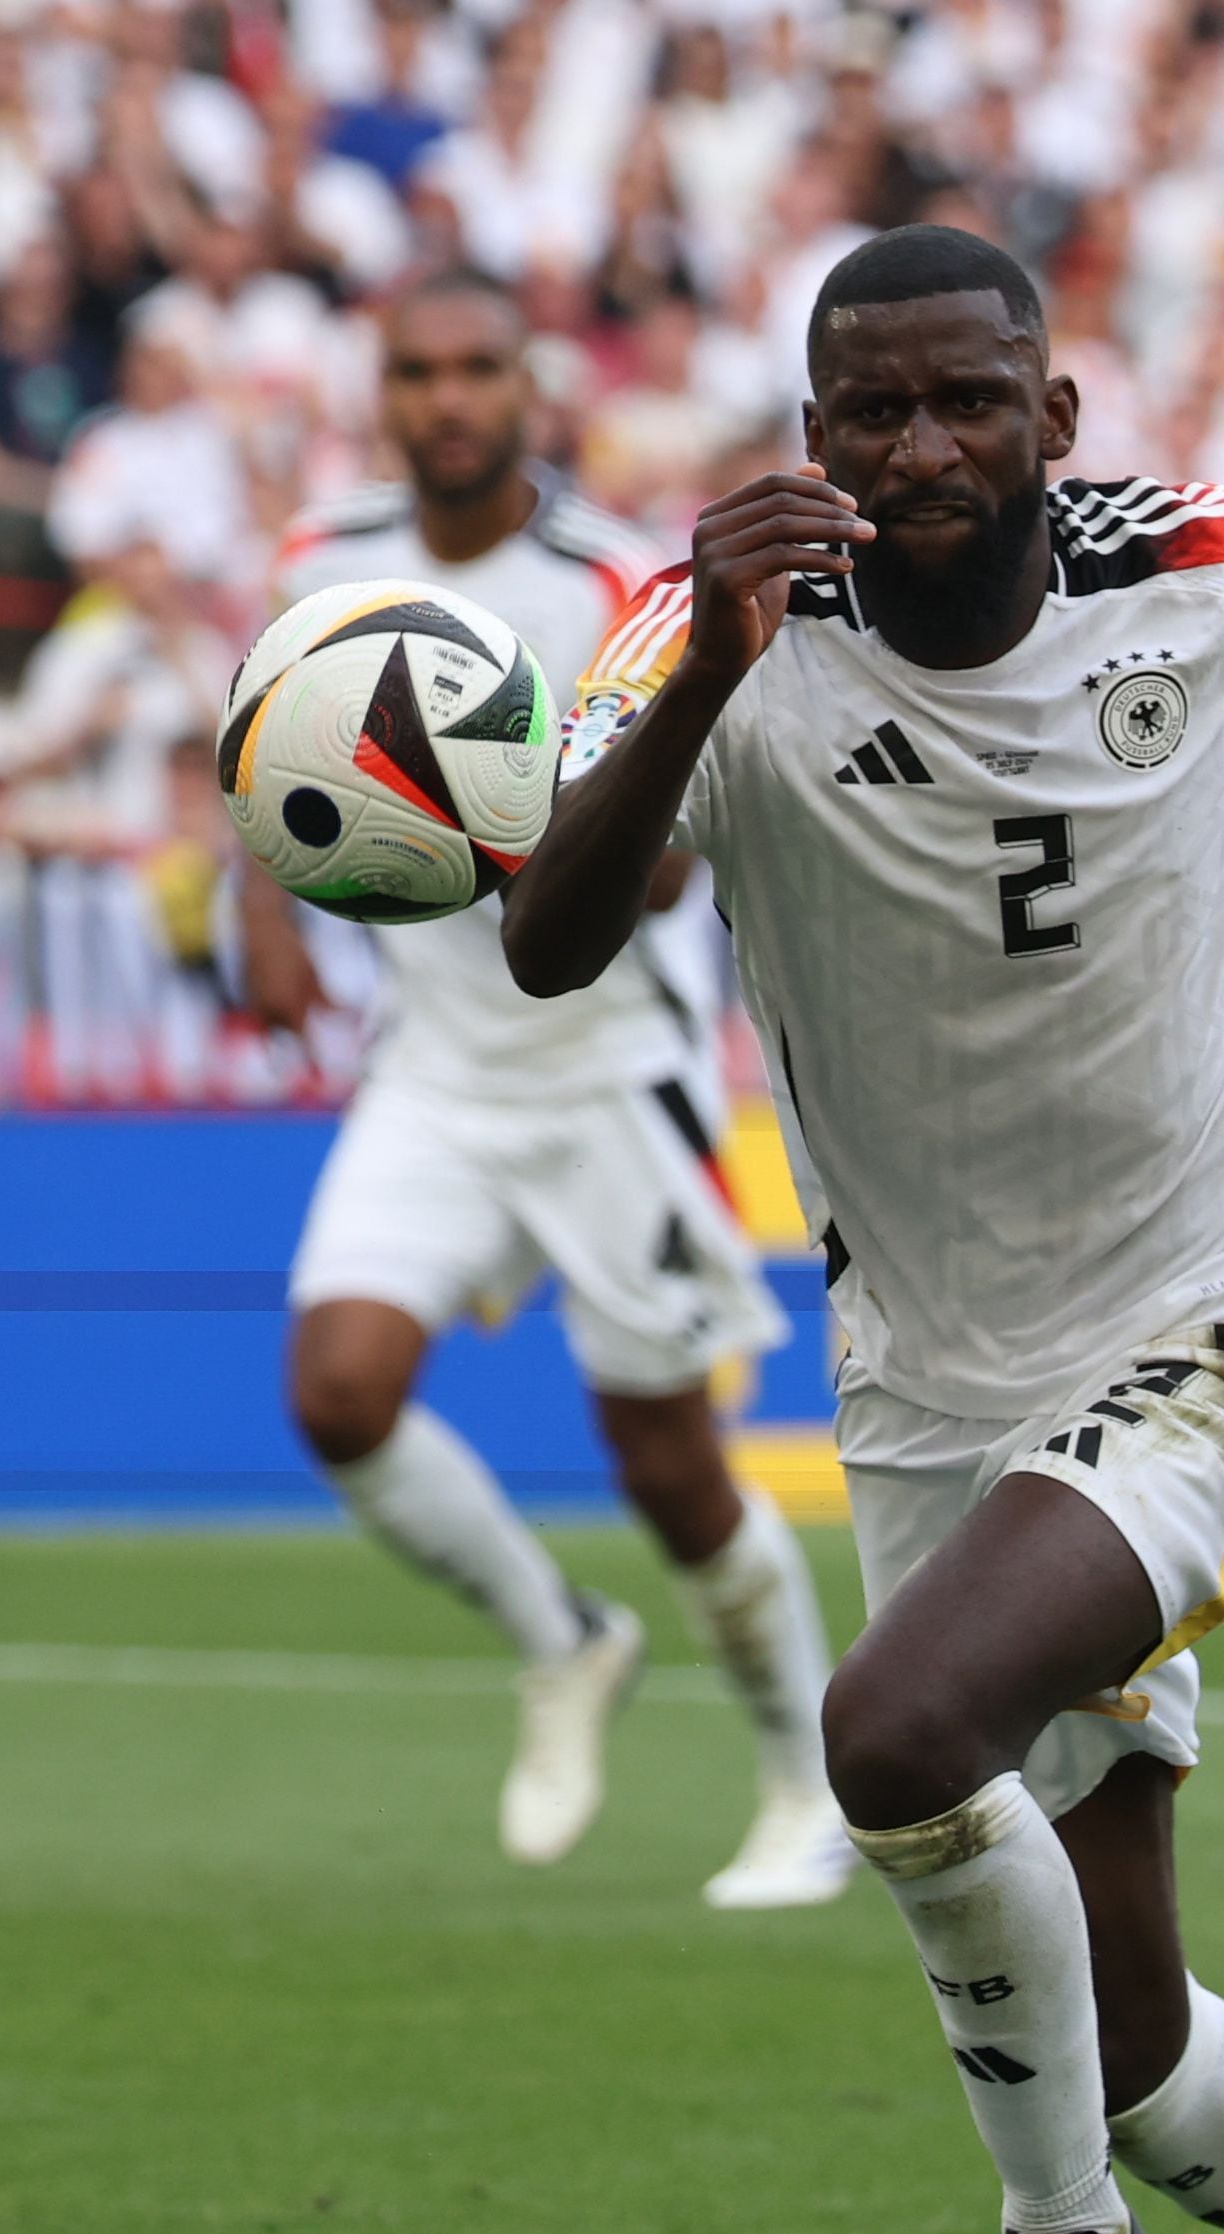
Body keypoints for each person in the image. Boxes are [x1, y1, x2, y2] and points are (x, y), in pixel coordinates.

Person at [499, 224, 1224, 2234]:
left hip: (1221, 1309)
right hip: (927, 1377)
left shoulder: (1217, 560)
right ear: (815, 441)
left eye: (969, 398)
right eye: (870, 411)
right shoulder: (699, 634)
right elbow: (548, 931)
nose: (921, 445)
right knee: (1129, 2032)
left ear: (1052, 419)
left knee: (893, 1728)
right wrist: (695, 680)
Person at [244, 266, 850, 1913]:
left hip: (602, 1071)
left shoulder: (600, 580)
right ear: (381, 391)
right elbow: (258, 751)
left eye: (474, 368)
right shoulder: (319, 564)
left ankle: (809, 1777)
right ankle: (560, 1637)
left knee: (663, 1460)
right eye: (416, 369)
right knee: (337, 1390)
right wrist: (264, 912)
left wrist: (505, 827)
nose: (446, 398)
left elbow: (660, 852)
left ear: (528, 386)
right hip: (432, 1069)